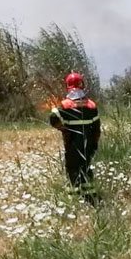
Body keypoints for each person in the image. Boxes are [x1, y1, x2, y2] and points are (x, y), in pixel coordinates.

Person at [49, 71, 101, 203]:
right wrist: (94, 143)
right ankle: (91, 196)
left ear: (68, 86)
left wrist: (64, 129)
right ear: (82, 85)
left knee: (72, 169)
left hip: (72, 144)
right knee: (86, 168)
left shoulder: (65, 105)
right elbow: (96, 128)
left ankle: (75, 197)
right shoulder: (91, 105)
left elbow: (53, 118)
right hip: (88, 144)